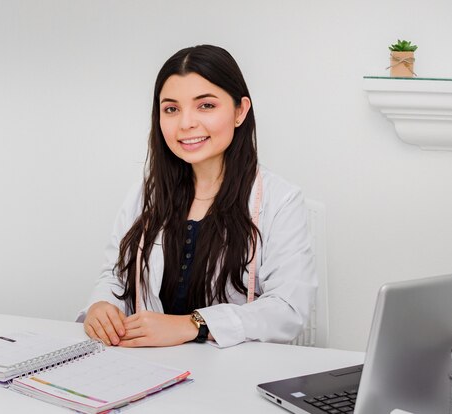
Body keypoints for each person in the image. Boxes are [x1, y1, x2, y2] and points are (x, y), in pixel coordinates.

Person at [76, 45, 316, 348]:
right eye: (171, 109)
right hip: (148, 367)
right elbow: (116, 278)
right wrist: (100, 307)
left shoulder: (281, 200)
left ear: (240, 110)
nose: (186, 122)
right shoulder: (145, 193)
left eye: (205, 106)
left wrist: (193, 325)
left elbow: (288, 309)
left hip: (229, 374)